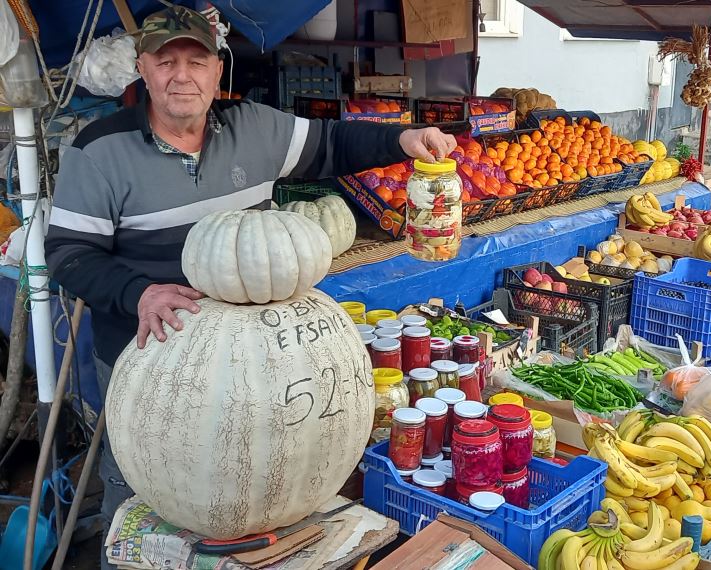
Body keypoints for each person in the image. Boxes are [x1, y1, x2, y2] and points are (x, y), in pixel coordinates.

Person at [43, 6, 455, 567]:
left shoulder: (255, 128)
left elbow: (333, 144)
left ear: (218, 72)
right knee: (151, 492)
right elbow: (68, 254)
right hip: (153, 362)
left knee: (253, 484)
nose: (181, 75)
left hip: (257, 370)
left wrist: (403, 140)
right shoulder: (99, 149)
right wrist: (140, 292)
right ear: (143, 68)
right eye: (165, 61)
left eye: (196, 61)